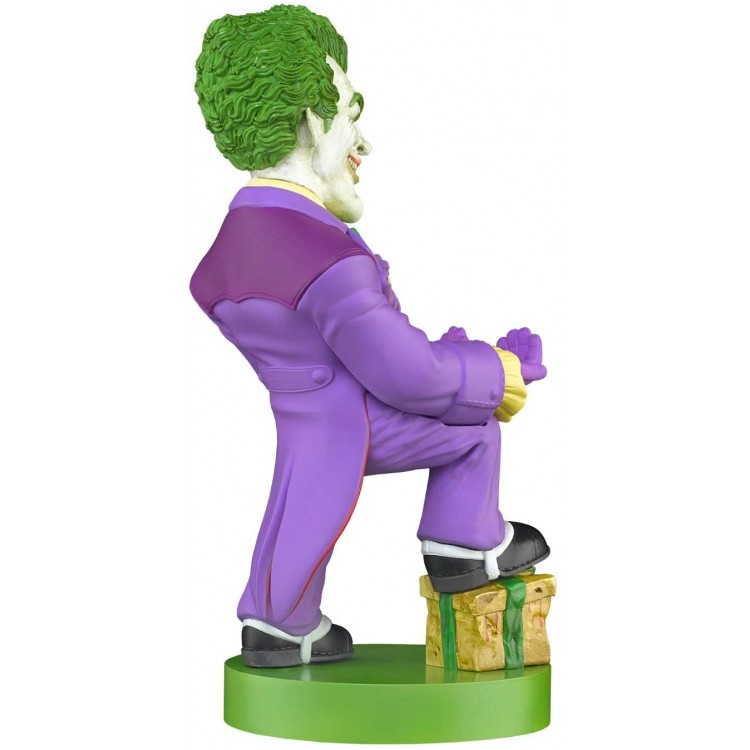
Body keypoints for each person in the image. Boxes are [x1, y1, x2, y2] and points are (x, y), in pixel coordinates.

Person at [191, 5, 550, 668]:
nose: (364, 141)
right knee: (474, 429)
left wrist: (448, 353)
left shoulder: (237, 242)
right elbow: (408, 376)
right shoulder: (328, 259)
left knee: (296, 508)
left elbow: (350, 347)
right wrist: (491, 370)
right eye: (351, 114)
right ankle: (464, 546)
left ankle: (279, 624)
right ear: (311, 123)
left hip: (305, 412)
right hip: (352, 419)